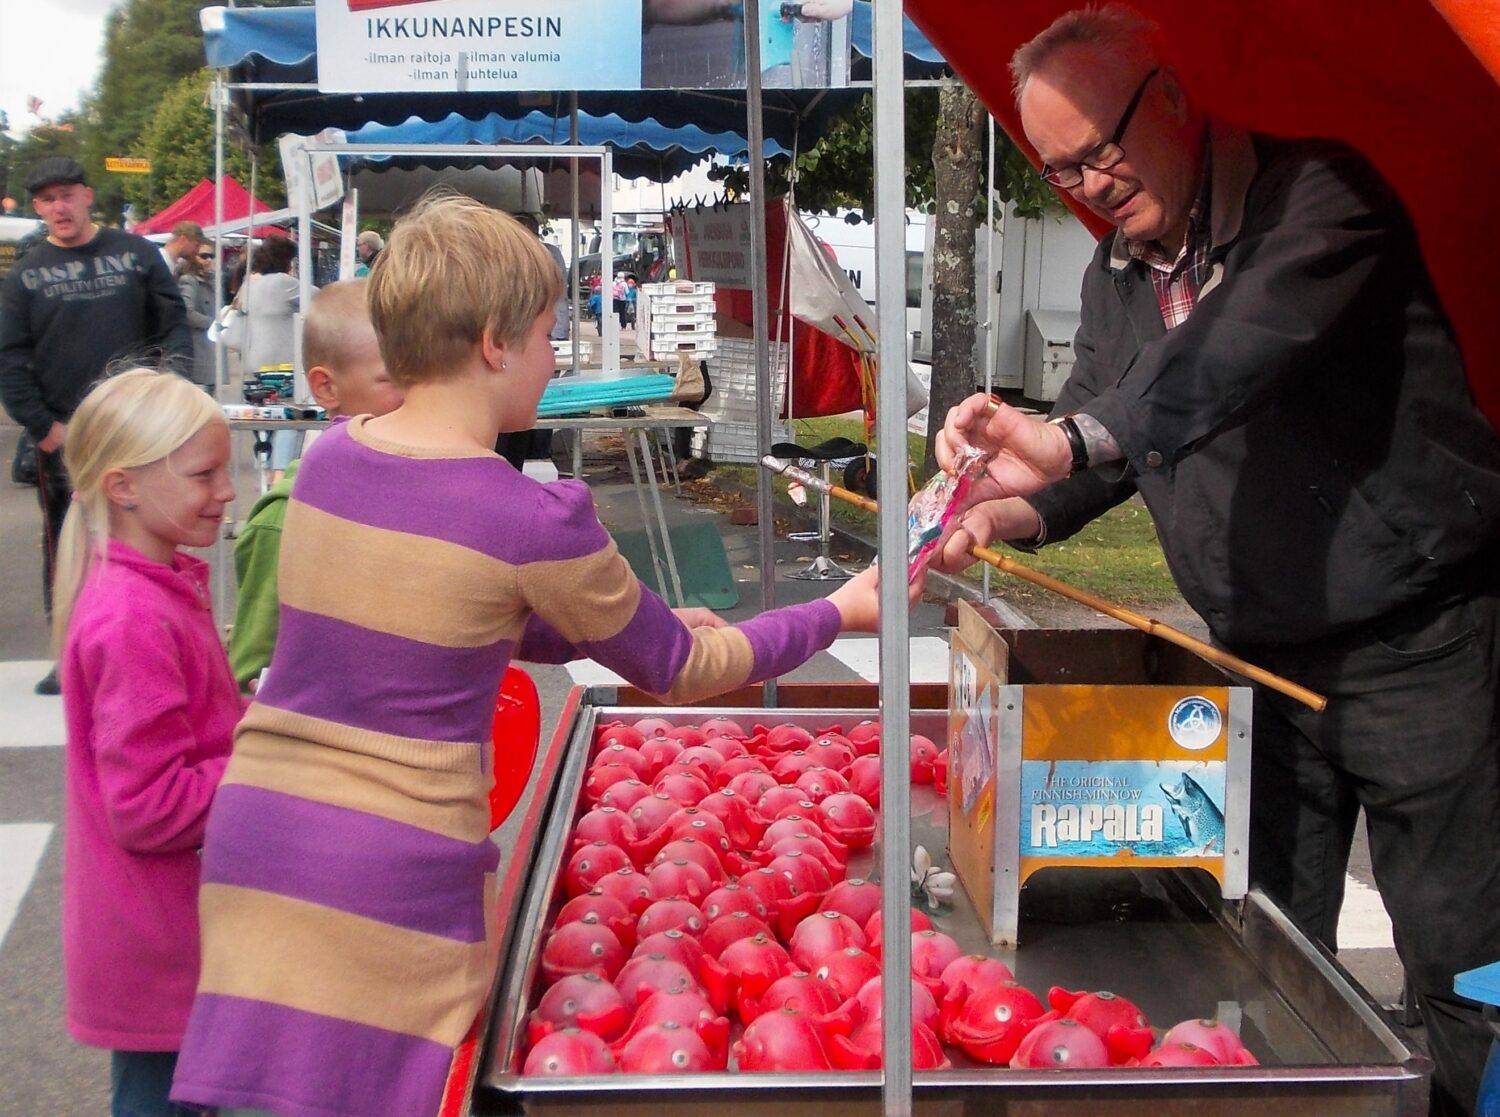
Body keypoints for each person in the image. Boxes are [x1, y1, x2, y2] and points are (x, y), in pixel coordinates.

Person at [169, 192, 885, 1117]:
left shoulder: (333, 459)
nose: (557, 359)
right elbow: (680, 672)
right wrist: (836, 611)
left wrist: (651, 619)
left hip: (259, 837)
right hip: (388, 871)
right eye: (550, 336)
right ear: (494, 345)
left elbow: (458, 610)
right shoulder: (531, 518)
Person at [927, 8, 1500, 1114]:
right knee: (1270, 947)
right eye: (1061, 168)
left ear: (1175, 98)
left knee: (1466, 958)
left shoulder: (1322, 198)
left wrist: (1074, 438)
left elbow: (1228, 356)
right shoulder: (1118, 273)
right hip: (1258, 660)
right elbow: (1104, 439)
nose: (1091, 183)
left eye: (1102, 147)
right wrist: (1004, 504)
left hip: (1414, 641)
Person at [54, 368, 242, 1117]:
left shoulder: (151, 586)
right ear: (124, 486)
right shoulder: (134, 616)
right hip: (160, 941)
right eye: (204, 474)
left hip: (161, 928)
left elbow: (196, 730)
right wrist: (267, 763)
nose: (227, 489)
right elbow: (150, 806)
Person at [0, 156, 191, 696]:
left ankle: (161, 644)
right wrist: (43, 428)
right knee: (67, 546)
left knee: (154, 534)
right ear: (38, 207)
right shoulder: (26, 273)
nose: (58, 207)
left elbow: (172, 325)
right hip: (64, 438)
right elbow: (10, 358)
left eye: (66, 195)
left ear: (87, 196)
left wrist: (170, 393)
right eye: (46, 199)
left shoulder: (134, 255)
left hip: (138, 428)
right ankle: (68, 657)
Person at [227, 279, 404, 691]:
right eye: (394, 378)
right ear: (326, 387)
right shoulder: (286, 521)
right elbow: (252, 669)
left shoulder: (424, 491)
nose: (417, 395)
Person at [222, 235, 300, 479]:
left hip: (253, 364)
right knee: (288, 418)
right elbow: (320, 298)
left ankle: (264, 471)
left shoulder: (248, 284)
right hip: (282, 364)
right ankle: (279, 473)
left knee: (262, 417)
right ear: (287, 260)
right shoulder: (285, 284)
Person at [178, 241, 218, 391]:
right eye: (204, 256)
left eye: (211, 256)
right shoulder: (189, 280)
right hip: (199, 347)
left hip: (210, 346)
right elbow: (187, 313)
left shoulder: (212, 279)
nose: (209, 260)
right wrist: (213, 323)